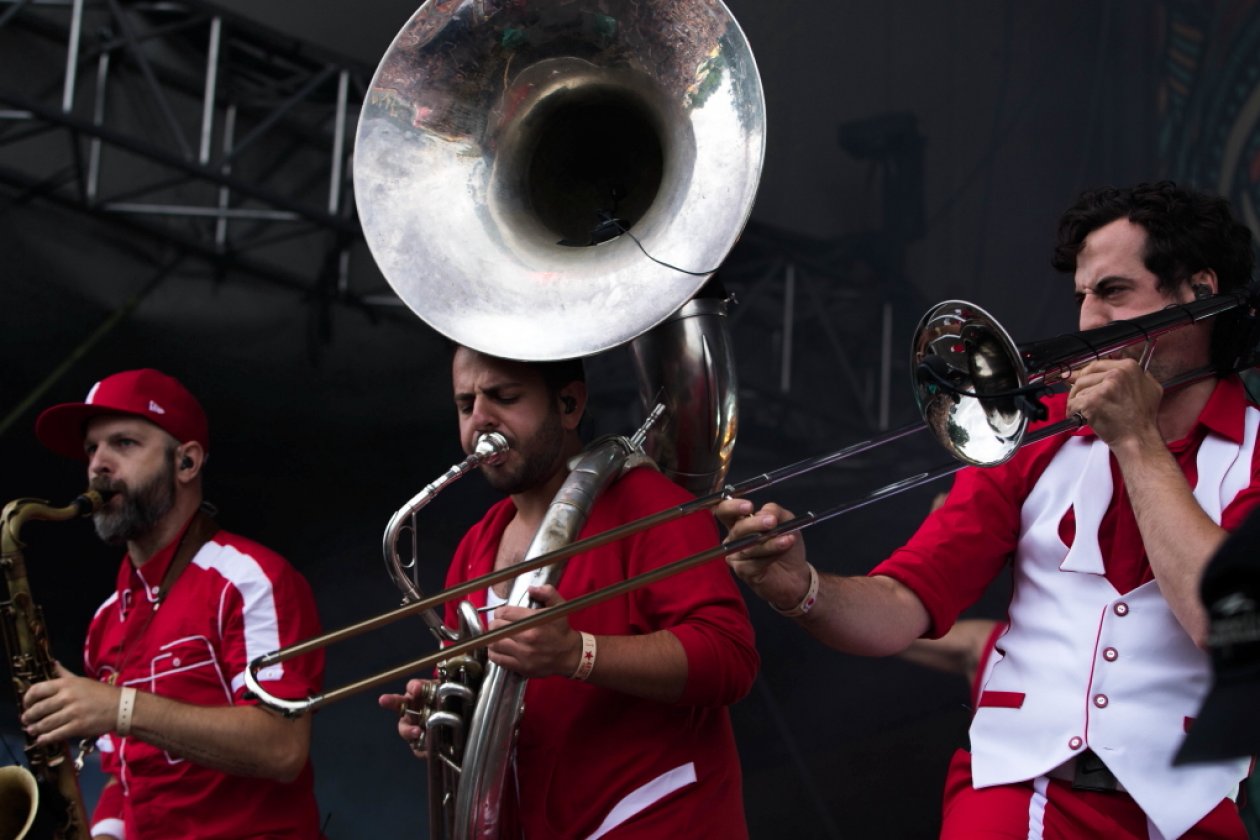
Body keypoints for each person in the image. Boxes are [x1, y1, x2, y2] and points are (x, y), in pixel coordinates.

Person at [719, 181, 1260, 839]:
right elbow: (899, 607)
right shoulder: (1036, 436)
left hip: (1186, 813)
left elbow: (1225, 627)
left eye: (1114, 292)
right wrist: (798, 589)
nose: (1087, 321)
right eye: (1082, 297)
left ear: (1200, 291)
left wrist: (1136, 440)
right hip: (1017, 793)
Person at [378, 345, 759, 838]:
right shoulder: (476, 545)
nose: (480, 420)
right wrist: (442, 720)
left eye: (503, 397)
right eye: (465, 404)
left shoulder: (650, 503)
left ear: (569, 405)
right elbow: (480, 694)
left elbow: (729, 659)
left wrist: (577, 653)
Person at [20, 368, 324, 839]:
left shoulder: (250, 580)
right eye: (91, 449)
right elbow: (126, 779)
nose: (98, 464)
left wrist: (119, 708)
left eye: (123, 443)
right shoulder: (106, 620)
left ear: (186, 463)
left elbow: (283, 747)